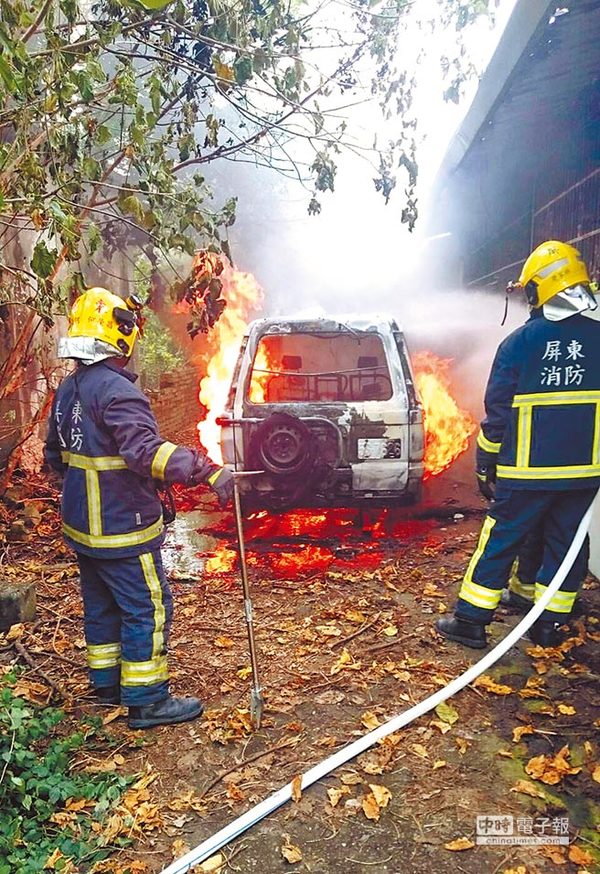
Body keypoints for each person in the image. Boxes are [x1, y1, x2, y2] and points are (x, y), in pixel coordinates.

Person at [44, 288, 234, 728]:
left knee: (102, 606)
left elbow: (55, 457)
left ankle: (107, 686)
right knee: (146, 608)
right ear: (119, 335)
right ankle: (148, 699)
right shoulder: (117, 392)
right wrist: (207, 470)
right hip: (122, 528)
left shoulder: (68, 389)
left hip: (83, 531)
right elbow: (146, 454)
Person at [436, 240, 600, 649]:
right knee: (568, 540)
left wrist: (484, 461)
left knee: (502, 538)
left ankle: (471, 621)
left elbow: (497, 415)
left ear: (540, 289)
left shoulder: (519, 344)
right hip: (582, 472)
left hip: (523, 472)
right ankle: (548, 624)